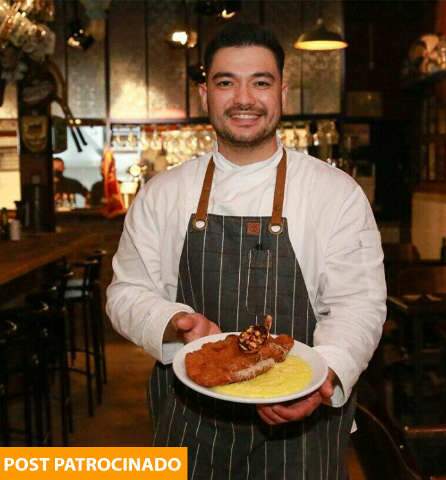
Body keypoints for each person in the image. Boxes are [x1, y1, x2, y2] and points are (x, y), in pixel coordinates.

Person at [107, 22, 386, 479]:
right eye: (225, 82)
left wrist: (325, 377)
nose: (243, 99)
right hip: (190, 419)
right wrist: (172, 322)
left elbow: (358, 303)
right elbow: (126, 292)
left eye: (260, 82)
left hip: (301, 421)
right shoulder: (164, 193)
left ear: (283, 91)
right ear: (204, 94)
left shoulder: (334, 193)